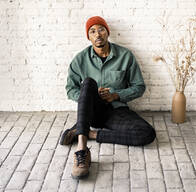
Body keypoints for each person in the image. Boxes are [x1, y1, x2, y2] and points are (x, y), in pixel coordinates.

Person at [61, 16, 156, 179]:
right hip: (92, 112)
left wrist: (116, 95)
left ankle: (85, 132)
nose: (97, 34)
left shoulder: (125, 56)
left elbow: (139, 87)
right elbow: (71, 90)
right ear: (88, 37)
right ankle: (82, 150)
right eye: (92, 31)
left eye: (101, 29)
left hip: (116, 111)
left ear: (107, 32)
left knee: (146, 133)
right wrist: (88, 96)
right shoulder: (80, 59)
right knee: (88, 83)